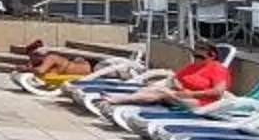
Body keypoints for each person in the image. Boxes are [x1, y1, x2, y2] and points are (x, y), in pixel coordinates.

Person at [93, 44, 236, 113]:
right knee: (156, 88)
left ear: (212, 56)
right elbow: (175, 78)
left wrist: (191, 93)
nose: (197, 59)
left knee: (162, 92)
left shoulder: (217, 69)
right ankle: (119, 99)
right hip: (180, 94)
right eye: (195, 56)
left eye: (201, 57)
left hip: (202, 102)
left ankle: (119, 100)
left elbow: (218, 92)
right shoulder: (193, 67)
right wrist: (176, 86)